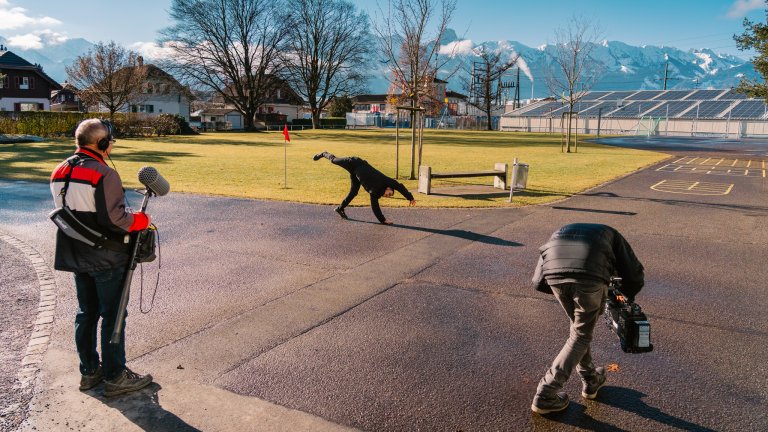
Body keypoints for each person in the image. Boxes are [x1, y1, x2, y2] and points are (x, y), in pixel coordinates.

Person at [50, 119, 153, 397]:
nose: (112, 146)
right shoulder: (103, 173)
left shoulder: (59, 170)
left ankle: (89, 371)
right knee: (113, 315)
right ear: (102, 143)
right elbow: (115, 220)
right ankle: (115, 376)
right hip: (107, 257)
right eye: (111, 141)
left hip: (75, 253)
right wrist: (141, 220)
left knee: (86, 314)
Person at [530, 223, 644, 414]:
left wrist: (563, 289)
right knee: (581, 335)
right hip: (589, 277)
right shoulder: (612, 235)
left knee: (578, 331)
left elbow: (537, 280)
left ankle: (591, 378)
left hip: (554, 275)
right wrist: (625, 300)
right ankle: (546, 393)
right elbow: (634, 274)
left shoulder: (560, 230)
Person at [313, 152, 416, 224]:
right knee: (334, 160)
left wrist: (383, 220)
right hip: (355, 162)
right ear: (389, 188)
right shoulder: (386, 181)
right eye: (389, 193)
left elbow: (375, 207)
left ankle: (340, 209)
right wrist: (410, 197)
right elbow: (399, 187)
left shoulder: (374, 193)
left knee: (353, 192)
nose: (387, 195)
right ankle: (323, 154)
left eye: (388, 196)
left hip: (356, 174)